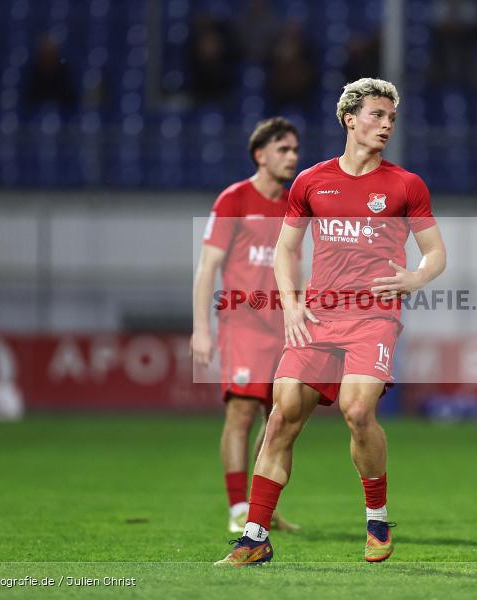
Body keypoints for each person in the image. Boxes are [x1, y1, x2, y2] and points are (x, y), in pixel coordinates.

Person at [216, 78, 447, 566]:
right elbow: (286, 248)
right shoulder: (311, 182)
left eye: (391, 119)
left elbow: (436, 253)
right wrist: (293, 305)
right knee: (281, 418)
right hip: (318, 318)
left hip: (374, 318)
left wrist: (415, 277)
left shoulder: (406, 185)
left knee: (357, 410)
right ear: (350, 119)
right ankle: (255, 536)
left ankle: (377, 518)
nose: (386, 125)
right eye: (377, 116)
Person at [192, 117, 310, 534]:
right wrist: (201, 328)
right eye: (284, 149)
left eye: (295, 150)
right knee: (241, 413)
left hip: (286, 326)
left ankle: (262, 508)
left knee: (281, 417)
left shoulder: (296, 205)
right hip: (242, 323)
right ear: (260, 155)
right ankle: (237, 507)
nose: (292, 156)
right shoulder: (233, 199)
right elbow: (208, 267)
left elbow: (297, 265)